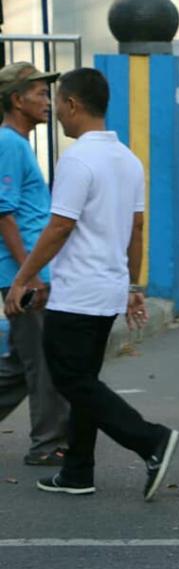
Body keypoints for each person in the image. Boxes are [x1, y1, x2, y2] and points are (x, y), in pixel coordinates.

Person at [4, 67, 179, 500]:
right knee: (83, 379)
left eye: (58, 101)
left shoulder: (78, 159)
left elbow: (60, 226)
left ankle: (151, 439)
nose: (56, 110)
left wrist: (22, 279)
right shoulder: (127, 159)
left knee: (70, 380)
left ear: (73, 104)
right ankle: (77, 471)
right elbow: (137, 229)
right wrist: (133, 287)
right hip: (108, 290)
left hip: (77, 292)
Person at [0, 61, 69, 466]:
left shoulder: (19, 144)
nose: (48, 101)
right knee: (43, 362)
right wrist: (31, 275)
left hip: (25, 271)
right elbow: (4, 213)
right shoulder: (8, 144)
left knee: (18, 365)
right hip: (22, 274)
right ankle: (47, 445)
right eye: (41, 93)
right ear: (16, 99)